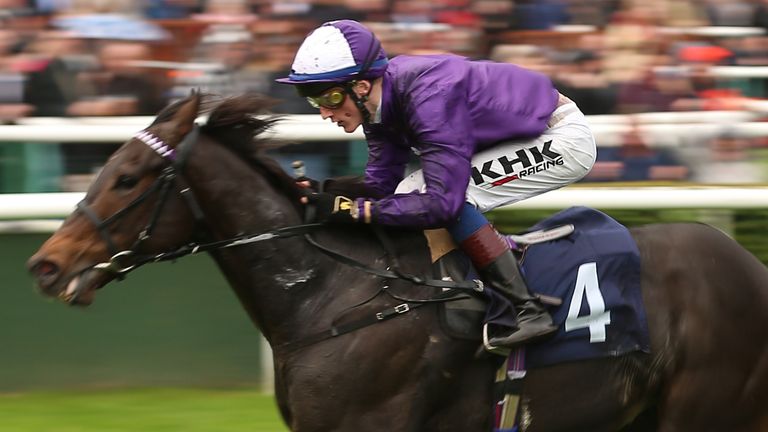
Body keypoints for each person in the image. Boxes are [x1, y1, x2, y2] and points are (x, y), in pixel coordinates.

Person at [276, 20, 597, 351]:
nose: (325, 113)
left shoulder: (429, 97)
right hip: (521, 134)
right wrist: (324, 194)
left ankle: (527, 309)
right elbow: (380, 187)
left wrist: (352, 210)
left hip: (560, 138)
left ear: (361, 86)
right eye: (314, 101)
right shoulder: (379, 106)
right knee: (409, 192)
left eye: (330, 98)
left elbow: (443, 204)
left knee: (446, 197)